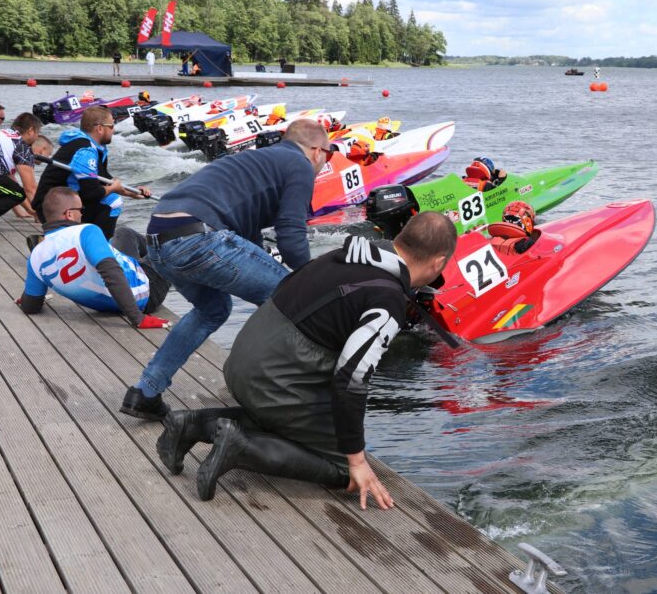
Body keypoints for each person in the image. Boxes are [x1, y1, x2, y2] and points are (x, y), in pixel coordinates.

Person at [155, 212, 458, 508]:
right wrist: (357, 459)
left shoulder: (343, 254)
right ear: (438, 263)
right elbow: (351, 378)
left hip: (242, 361)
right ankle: (241, 450)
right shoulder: (388, 299)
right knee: (342, 465)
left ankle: (192, 424)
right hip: (272, 380)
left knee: (290, 421)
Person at [120, 119, 335, 420]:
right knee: (295, 300)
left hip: (158, 239)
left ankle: (145, 392)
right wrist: (312, 279)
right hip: (198, 237)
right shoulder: (298, 164)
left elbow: (249, 240)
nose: (327, 161)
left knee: (212, 310)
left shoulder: (259, 160)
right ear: (316, 151)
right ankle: (277, 397)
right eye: (331, 153)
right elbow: (291, 232)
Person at [19, 188, 172, 328]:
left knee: (124, 233)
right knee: (172, 244)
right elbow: (111, 271)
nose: (82, 214)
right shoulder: (86, 231)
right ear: (69, 214)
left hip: (127, 274)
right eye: (81, 210)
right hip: (146, 290)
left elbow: (30, 306)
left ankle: (149, 254)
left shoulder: (35, 257)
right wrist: (138, 318)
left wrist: (27, 297)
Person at [32, 106, 152, 240]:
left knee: (108, 197)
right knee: (113, 201)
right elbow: (91, 193)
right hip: (51, 208)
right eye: (112, 126)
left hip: (60, 201)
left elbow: (103, 179)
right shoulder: (85, 151)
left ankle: (64, 240)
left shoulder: (92, 146)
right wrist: (113, 189)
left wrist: (133, 192)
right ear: (100, 128)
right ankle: (101, 249)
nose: (114, 129)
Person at [0, 112, 51, 235]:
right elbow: (30, 189)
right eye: (37, 133)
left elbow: (10, 183)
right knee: (17, 193)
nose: (37, 137)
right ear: (31, 130)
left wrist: (31, 211)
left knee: (9, 189)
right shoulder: (22, 147)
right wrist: (46, 220)